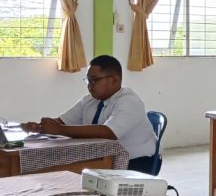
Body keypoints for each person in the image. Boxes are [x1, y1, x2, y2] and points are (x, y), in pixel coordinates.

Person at [23, 54, 156, 172]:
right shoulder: (89, 100)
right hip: (102, 157)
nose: (89, 85)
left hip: (135, 162)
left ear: (114, 80)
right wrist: (40, 127)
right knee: (56, 167)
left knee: (67, 171)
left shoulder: (129, 101)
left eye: (94, 80)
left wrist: (59, 129)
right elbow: (62, 122)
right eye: (88, 80)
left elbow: (109, 133)